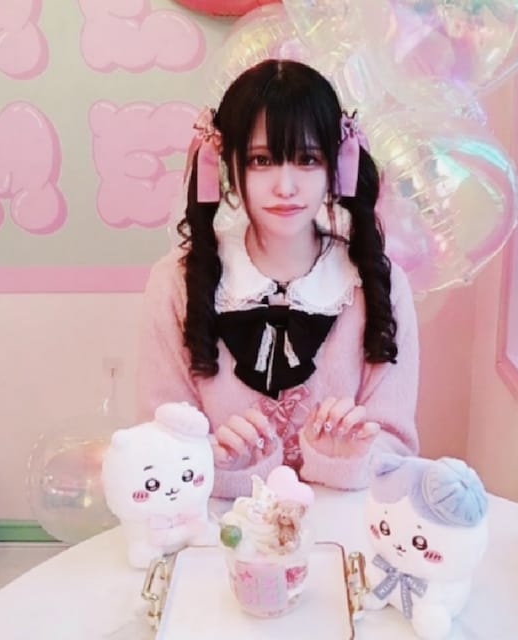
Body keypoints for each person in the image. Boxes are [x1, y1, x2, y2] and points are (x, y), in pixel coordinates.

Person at [137, 59, 420, 499]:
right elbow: (161, 445)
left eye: (307, 159)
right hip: (218, 528)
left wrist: (343, 457)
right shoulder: (176, 283)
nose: (285, 186)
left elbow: (395, 448)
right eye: (262, 160)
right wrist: (223, 463)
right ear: (228, 166)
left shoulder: (379, 285)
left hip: (341, 527)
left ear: (335, 167)